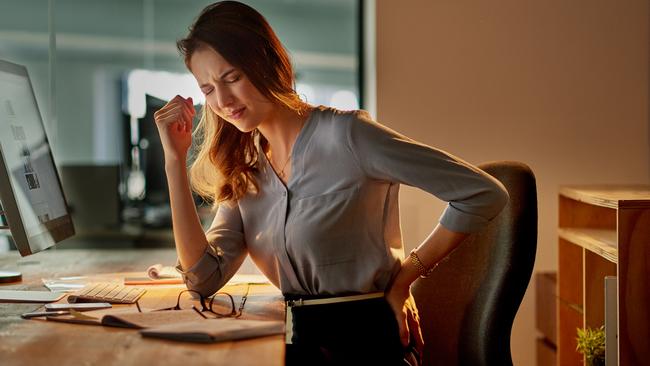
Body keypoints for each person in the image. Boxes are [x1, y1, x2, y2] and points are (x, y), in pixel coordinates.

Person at [153, 1, 508, 365]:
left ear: (266, 63)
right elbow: (202, 279)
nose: (223, 101)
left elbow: (482, 193)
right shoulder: (245, 168)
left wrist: (404, 281)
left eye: (232, 78)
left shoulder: (349, 136)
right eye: (208, 89)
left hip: (365, 343)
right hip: (295, 341)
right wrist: (174, 161)